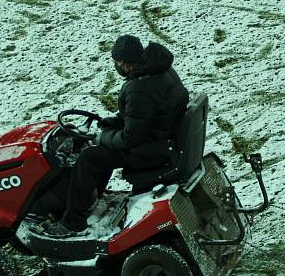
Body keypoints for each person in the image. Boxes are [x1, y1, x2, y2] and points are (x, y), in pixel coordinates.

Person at [44, 34, 189, 237]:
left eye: (117, 63)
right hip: (162, 139)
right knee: (102, 154)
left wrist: (101, 138)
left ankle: (72, 222)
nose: (117, 66)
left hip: (150, 150)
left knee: (89, 158)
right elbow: (147, 113)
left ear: (125, 64)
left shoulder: (138, 88)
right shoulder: (161, 70)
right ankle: (93, 200)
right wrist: (114, 122)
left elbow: (131, 138)